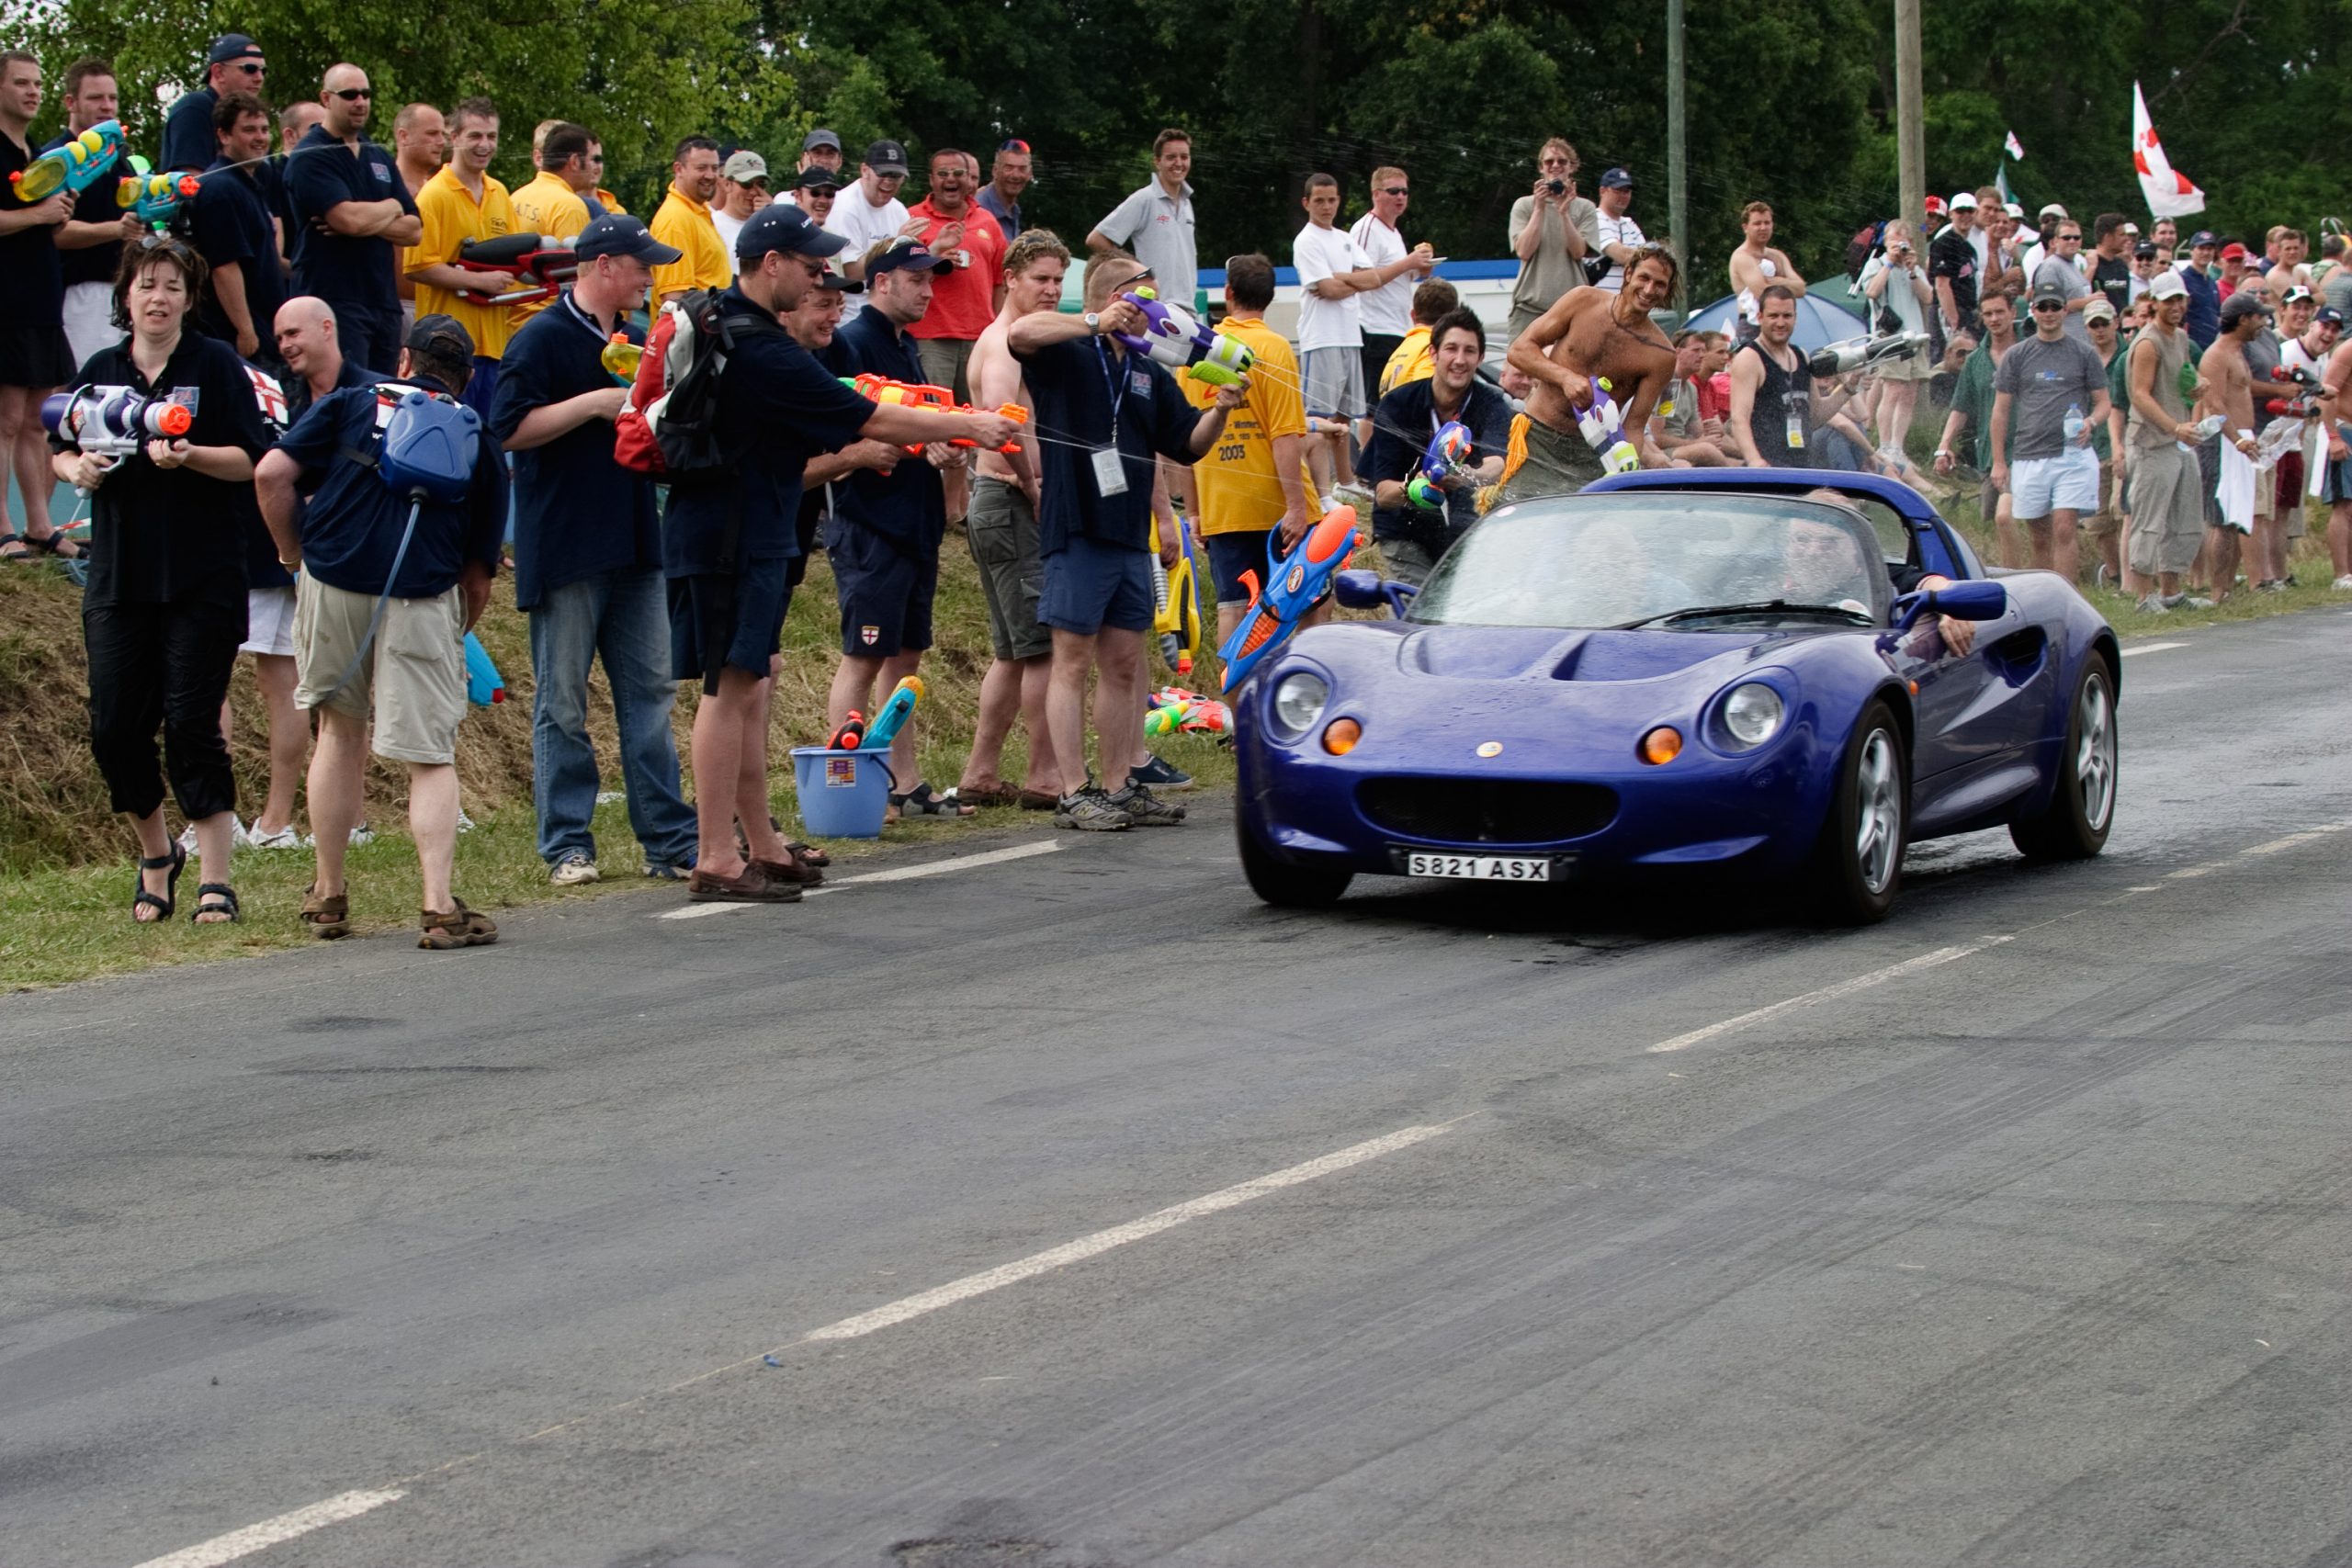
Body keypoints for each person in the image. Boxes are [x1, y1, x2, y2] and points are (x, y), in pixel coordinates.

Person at [665, 205, 1017, 900]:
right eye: (810, 265)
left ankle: (758, 840)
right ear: (772, 265)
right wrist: (968, 422)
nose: (823, 276)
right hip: (730, 534)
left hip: (750, 529)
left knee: (750, 685)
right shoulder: (758, 347)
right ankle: (715, 855)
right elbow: (870, 417)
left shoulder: (750, 335)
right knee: (728, 689)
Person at [257, 314, 507, 945]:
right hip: (422, 594)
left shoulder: (351, 401)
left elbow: (270, 475)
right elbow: (478, 578)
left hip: (334, 579)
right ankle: (438, 905)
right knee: (430, 754)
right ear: (468, 379)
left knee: (339, 732)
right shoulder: (480, 441)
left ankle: (328, 893)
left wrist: (293, 556)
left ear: (403, 362)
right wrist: (454, 628)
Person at [52, 237, 272, 923]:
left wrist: (191, 455)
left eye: (172, 287)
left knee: (192, 723)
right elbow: (60, 443)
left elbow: (253, 460)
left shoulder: (216, 365)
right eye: (146, 284)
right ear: (126, 296)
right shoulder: (100, 369)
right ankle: (156, 854)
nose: (158, 297)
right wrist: (74, 471)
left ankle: (215, 876)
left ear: (189, 298)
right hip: (120, 575)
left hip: (203, 573)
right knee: (114, 727)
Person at [489, 215, 696, 886]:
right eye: (641, 266)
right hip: (567, 542)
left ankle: (668, 837)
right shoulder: (541, 337)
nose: (648, 278)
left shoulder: (636, 340)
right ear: (604, 265)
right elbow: (509, 429)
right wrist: (592, 404)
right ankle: (567, 842)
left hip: (638, 538)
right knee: (562, 701)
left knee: (650, 694)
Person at [1008, 251, 1241, 829]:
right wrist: (1096, 321)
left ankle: (1118, 784)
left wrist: (1223, 409)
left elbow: (1187, 442)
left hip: (1127, 534)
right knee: (1071, 659)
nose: (1157, 312)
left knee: (1122, 661)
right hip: (1078, 526)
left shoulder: (1148, 370)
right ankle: (1072, 790)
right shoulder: (1068, 348)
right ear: (1118, 297)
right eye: (1147, 298)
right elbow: (1019, 332)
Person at [823, 236, 977, 822]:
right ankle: (848, 784)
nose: (928, 289)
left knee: (904, 661)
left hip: (915, 522)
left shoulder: (904, 345)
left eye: (932, 279)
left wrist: (949, 452)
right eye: (916, 278)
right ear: (881, 281)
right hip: (869, 523)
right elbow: (839, 429)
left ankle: (902, 781)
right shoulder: (850, 342)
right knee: (862, 659)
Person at [954, 227, 1067, 810]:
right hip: (1009, 499)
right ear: (1011, 280)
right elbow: (1004, 425)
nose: (1051, 290)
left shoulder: (1013, 340)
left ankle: (981, 770)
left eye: (1058, 281)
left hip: (1000, 503)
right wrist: (1035, 485)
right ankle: (1046, 773)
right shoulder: (1002, 344)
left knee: (1010, 649)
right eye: (1040, 279)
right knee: (1042, 646)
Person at [1178, 253, 1320, 626]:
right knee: (1311, 605)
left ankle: (1239, 686)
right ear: (1270, 297)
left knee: (1235, 610)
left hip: (1222, 507)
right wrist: (1296, 507)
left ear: (1228, 293)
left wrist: (1194, 512)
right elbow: (1285, 435)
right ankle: (1303, 682)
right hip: (1274, 506)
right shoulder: (1274, 349)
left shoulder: (1195, 355)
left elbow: (1183, 445)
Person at [1294, 172, 1433, 505]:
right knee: (1318, 416)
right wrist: (1351, 281)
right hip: (1321, 336)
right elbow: (1327, 288)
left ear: (1339, 200)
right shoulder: (1307, 240)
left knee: (1343, 415)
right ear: (1306, 203)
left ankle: (1345, 480)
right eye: (1319, 201)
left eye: (1331, 200)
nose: (1327, 207)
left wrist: (1346, 279)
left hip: (1348, 334)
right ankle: (1318, 488)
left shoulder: (1343, 238)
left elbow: (1372, 278)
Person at [1498, 245, 1678, 502]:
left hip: (1593, 454)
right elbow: (1519, 350)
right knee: (1519, 521)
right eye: (1644, 278)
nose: (1649, 290)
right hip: (1537, 438)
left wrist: (1624, 474)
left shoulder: (1661, 355)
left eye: (1660, 284)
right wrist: (1565, 378)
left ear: (1667, 290)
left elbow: (1635, 427)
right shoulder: (1583, 300)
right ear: (1628, 274)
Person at [285, 64, 420, 377]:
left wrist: (366, 216)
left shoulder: (377, 154)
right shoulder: (311, 154)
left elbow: (414, 230)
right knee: (345, 397)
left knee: (381, 400)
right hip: (334, 299)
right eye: (349, 94)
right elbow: (348, 221)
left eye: (366, 94)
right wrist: (389, 207)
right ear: (326, 99)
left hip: (382, 301)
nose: (360, 101)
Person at [1365, 308, 1510, 586]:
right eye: (1451, 349)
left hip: (1463, 532)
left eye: (1469, 351)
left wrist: (1469, 475)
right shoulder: (1397, 404)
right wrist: (1415, 489)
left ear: (1480, 358)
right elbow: (1383, 494)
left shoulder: (1491, 403)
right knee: (1424, 615)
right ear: (1433, 353)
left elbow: (1497, 464)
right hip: (1403, 531)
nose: (1459, 360)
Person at [401, 98, 525, 413]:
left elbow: (516, 261)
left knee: (485, 435)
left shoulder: (500, 193)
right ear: (453, 137)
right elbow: (417, 266)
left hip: (494, 347)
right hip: (447, 351)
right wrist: (477, 280)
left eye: (491, 136)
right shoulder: (435, 194)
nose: (485, 145)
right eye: (475, 136)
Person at [1990, 277, 2115, 584]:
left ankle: (2068, 600)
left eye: (2055, 307)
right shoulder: (2017, 355)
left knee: (2064, 527)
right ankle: (2042, 596)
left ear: (2064, 311)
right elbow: (2001, 410)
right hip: (2029, 455)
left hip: (2071, 456)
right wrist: (1998, 461)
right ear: (2032, 310)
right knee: (2040, 536)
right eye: (2043, 307)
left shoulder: (2083, 353)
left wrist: (2091, 422)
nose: (2049, 312)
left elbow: (2103, 404)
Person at [2122, 272, 2214, 612]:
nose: (2176, 306)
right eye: (2169, 300)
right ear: (2155, 303)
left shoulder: (2178, 337)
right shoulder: (2148, 342)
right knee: (2149, 520)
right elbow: (2141, 396)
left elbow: (2180, 381)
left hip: (2178, 439)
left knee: (2184, 517)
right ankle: (2143, 596)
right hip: (2152, 441)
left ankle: (2171, 591)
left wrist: (2197, 388)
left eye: (2181, 300)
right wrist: (2176, 428)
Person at [50, 59, 138, 370]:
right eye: (96, 98)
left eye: (112, 98)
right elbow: (54, 233)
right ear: (71, 102)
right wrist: (115, 230)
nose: (107, 106)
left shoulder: (120, 160)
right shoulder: (56, 160)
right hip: (78, 296)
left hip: (125, 294)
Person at [189, 94, 287, 366]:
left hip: (266, 327)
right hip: (237, 335)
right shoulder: (221, 189)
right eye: (249, 130)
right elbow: (224, 266)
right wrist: (246, 330)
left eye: (265, 130)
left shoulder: (249, 184)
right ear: (224, 135)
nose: (260, 138)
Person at [904, 147, 1007, 404]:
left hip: (979, 339)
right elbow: (898, 275)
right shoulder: (913, 218)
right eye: (943, 173)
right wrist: (932, 256)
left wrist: (998, 330)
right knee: (930, 416)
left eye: (958, 172)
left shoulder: (987, 221)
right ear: (931, 180)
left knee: (977, 419)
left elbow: (1001, 282)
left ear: (969, 178)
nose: (951, 178)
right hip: (930, 338)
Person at [2194, 290, 2272, 603]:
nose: (2262, 324)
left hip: (2241, 439)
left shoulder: (2238, 351)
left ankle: (2226, 587)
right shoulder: (2216, 355)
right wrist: (2236, 438)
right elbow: (2214, 404)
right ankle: (2217, 591)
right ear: (2243, 319)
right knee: (2221, 518)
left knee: (2236, 518)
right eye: (2258, 317)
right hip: (2224, 442)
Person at [1935, 291, 2020, 560]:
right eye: (1988, 314)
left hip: (2028, 450)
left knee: (2012, 519)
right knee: (1990, 523)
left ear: (2013, 313)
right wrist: (1944, 445)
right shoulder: (1975, 361)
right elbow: (1960, 408)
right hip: (1990, 455)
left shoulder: (2030, 351)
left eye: (1999, 312)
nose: (1994, 319)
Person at [1729, 285, 1843, 470]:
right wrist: (1754, 461)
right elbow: (1739, 419)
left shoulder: (1802, 355)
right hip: (1767, 468)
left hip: (1801, 466)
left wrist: (1848, 389)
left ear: (1795, 318)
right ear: (1760, 317)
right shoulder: (1750, 358)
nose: (1781, 323)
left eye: (1787, 316)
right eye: (1773, 316)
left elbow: (1814, 416)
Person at [1086, 129, 1197, 316]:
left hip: (1187, 311)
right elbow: (1097, 239)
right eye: (1171, 157)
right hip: (1156, 309)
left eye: (1184, 157)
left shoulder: (1187, 203)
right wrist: (1131, 273)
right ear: (1157, 161)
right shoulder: (1145, 198)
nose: (1178, 163)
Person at [1502, 138, 1600, 341]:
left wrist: (1564, 213)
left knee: (1571, 371)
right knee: (1520, 371)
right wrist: (1539, 208)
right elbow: (1524, 251)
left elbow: (1578, 251)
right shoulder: (1524, 205)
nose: (1555, 166)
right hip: (1529, 308)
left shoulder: (1585, 208)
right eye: (1549, 162)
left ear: (1572, 167)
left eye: (1562, 162)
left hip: (1572, 310)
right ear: (1541, 168)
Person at [1860, 219, 1933, 469]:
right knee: (1892, 390)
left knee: (1909, 394)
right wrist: (1890, 263)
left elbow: (1927, 297)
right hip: (1892, 337)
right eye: (1894, 242)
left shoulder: (1915, 268)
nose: (1900, 247)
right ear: (1886, 243)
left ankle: (1898, 447)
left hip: (1916, 335)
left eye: (1904, 243)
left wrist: (1913, 271)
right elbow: (1871, 291)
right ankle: (1885, 444)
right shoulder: (1877, 263)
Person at [508, 122, 597, 323]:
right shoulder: (570, 205)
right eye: (592, 159)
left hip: (509, 320)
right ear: (575, 161)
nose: (595, 167)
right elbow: (576, 281)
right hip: (547, 323)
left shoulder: (516, 196)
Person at [1348, 166, 1420, 392]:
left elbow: (1395, 274)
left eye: (1404, 192)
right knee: (1373, 408)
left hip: (1396, 327)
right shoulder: (1367, 228)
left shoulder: (1393, 232)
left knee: (1390, 403)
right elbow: (1360, 279)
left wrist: (1420, 267)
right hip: (1374, 329)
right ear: (1376, 194)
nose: (1400, 197)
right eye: (1393, 191)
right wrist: (1409, 262)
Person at [160, 33, 266, 172]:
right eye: (250, 69)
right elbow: (191, 179)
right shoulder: (195, 108)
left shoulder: (254, 119)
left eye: (263, 71)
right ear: (218, 72)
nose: (259, 78)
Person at [648, 137, 730, 307]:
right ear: (679, 169)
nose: (710, 175)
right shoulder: (676, 219)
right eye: (701, 168)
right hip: (693, 332)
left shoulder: (697, 211)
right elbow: (675, 301)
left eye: (714, 168)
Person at [388, 102, 445, 337]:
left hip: (436, 307)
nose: (441, 141)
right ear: (403, 136)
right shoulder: (386, 185)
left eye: (443, 134)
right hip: (398, 307)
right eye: (432, 134)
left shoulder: (440, 188)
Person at [823, 139, 913, 288]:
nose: (889, 181)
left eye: (896, 175)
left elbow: (907, 264)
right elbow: (851, 272)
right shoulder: (845, 207)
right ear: (865, 170)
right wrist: (895, 244)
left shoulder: (898, 210)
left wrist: (937, 248)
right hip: (856, 305)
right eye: (883, 173)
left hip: (887, 301)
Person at [1727, 200, 1808, 339]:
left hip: (1778, 322)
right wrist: (1786, 285)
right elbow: (1763, 294)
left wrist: (1778, 281)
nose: (1763, 228)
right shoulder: (1742, 256)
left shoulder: (1777, 255)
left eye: (1767, 223)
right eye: (1757, 223)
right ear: (1745, 227)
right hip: (1752, 325)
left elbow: (1801, 289)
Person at [1656, 329, 1733, 467]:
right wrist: (1696, 443)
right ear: (1678, 352)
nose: (1702, 356)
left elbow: (1697, 431)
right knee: (1707, 449)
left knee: (1725, 449)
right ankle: (1737, 484)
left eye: (1703, 351)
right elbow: (1657, 437)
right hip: (1664, 451)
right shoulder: (1669, 386)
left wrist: (1715, 431)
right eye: (1696, 350)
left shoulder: (1690, 388)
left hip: (1685, 445)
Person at [1380, 277, 1459, 398]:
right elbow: (1429, 402)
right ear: (1455, 315)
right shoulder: (1432, 351)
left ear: (1413, 315)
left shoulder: (1399, 352)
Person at [2029, 218, 2092, 345]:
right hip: (2060, 341)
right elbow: (2047, 307)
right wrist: (2086, 302)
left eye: (2076, 237)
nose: (2072, 241)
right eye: (2066, 238)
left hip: (2081, 340)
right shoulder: (2051, 267)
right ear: (2055, 241)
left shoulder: (2073, 265)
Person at [1588, 167, 1646, 296]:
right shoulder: (1593, 219)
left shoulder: (1630, 224)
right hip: (1598, 303)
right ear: (1602, 191)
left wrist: (1639, 259)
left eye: (1627, 191)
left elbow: (1648, 260)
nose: (1624, 195)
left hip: (1626, 304)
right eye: (1618, 190)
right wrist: (1637, 257)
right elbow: (1622, 255)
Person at [1929, 190, 1981, 335]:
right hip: (1948, 313)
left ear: (1976, 214)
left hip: (1967, 312)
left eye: (1970, 211)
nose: (1965, 216)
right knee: (1947, 356)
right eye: (1960, 211)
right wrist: (1954, 321)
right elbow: (1941, 285)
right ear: (1951, 214)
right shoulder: (1944, 243)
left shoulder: (1969, 248)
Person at [710, 149, 768, 263]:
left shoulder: (769, 224)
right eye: (746, 184)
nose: (754, 191)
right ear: (727, 184)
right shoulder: (712, 226)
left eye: (761, 184)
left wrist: (771, 216)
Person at [975, 138, 1031, 243]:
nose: (1015, 175)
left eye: (1022, 169)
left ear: (1030, 174)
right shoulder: (978, 210)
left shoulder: (1014, 210)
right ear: (995, 171)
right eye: (1008, 168)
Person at [2177, 231, 2222, 348]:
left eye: (2209, 249)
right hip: (2191, 345)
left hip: (2212, 345)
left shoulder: (2213, 283)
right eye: (2201, 248)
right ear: (2192, 250)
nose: (2206, 252)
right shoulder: (2182, 279)